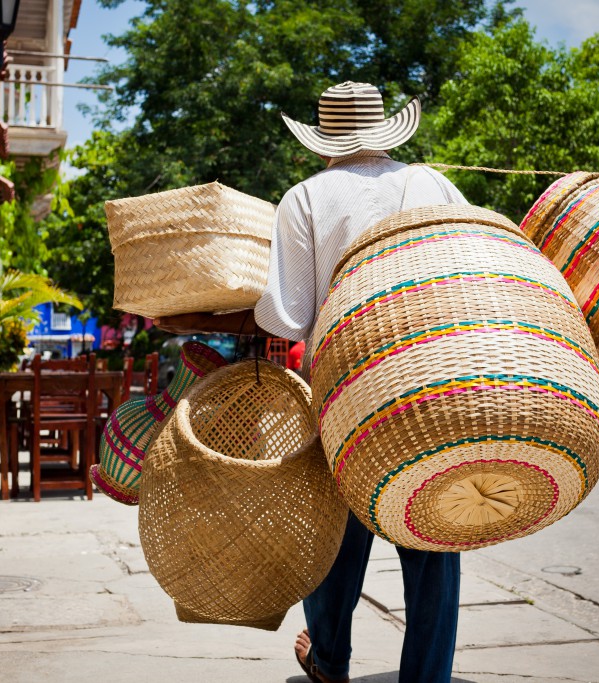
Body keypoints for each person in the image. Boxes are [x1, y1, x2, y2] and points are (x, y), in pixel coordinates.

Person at [155, 81, 467, 683]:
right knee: (430, 536)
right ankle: (427, 676)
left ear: (325, 140)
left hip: (347, 389)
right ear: (384, 131)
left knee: (334, 533)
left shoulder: (306, 198)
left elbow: (286, 316)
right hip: (433, 383)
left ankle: (328, 659)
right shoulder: (433, 183)